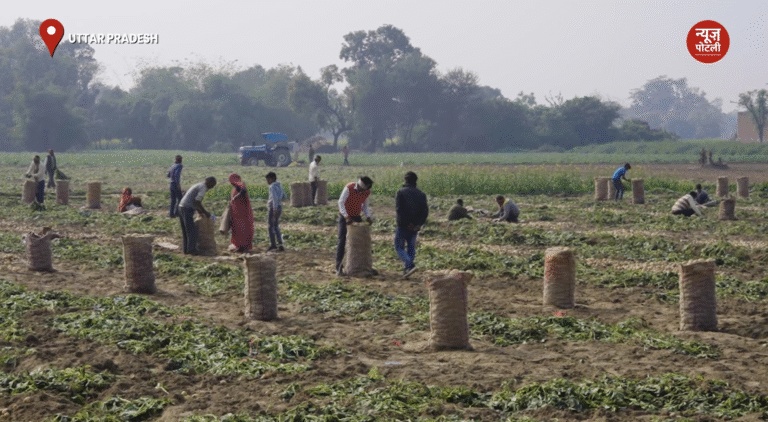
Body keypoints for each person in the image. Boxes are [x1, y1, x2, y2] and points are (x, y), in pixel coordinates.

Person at [336, 176, 374, 276]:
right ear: (360, 186)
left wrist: (368, 216)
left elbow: (365, 205)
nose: (364, 192)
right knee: (342, 240)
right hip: (344, 217)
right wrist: (346, 216)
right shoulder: (349, 187)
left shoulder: (366, 192)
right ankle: (339, 267)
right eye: (363, 190)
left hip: (356, 216)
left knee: (361, 241)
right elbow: (341, 203)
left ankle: (362, 266)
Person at [395, 171, 428, 278]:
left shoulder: (401, 192)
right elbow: (425, 212)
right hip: (415, 226)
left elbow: (399, 210)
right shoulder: (421, 194)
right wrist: (418, 224)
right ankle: (407, 269)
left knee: (399, 247)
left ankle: (409, 265)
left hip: (403, 225)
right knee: (411, 248)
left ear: (405, 180)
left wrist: (407, 223)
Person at [177, 177, 216, 255]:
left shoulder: (198, 185)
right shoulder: (203, 187)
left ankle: (186, 249)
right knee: (192, 231)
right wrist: (205, 212)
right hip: (187, 208)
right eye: (213, 185)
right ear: (210, 183)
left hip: (181, 207)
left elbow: (195, 201)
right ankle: (192, 250)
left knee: (186, 230)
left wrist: (200, 211)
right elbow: (197, 201)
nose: (212, 187)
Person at [227, 174, 254, 252]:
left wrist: (235, 197)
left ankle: (243, 246)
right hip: (237, 213)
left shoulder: (239, 185)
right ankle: (239, 246)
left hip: (242, 214)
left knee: (242, 229)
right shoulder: (236, 187)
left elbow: (243, 191)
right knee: (237, 229)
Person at [266, 171, 286, 252]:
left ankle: (273, 245)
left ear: (272, 179)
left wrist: (274, 209)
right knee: (276, 225)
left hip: (273, 208)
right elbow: (284, 196)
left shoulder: (272, 186)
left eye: (268, 179)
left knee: (271, 226)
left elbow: (274, 199)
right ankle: (280, 243)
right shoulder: (279, 185)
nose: (267, 182)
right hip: (280, 207)